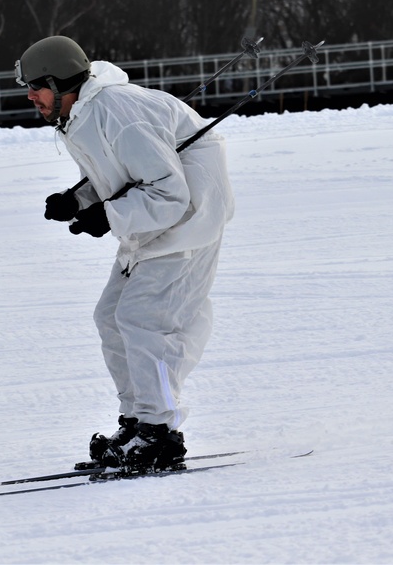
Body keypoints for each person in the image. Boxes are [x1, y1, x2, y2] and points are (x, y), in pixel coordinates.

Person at [15, 35, 234, 473]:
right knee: (111, 317)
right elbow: (118, 174)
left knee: (144, 321)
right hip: (151, 227)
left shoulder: (120, 113)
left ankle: (160, 433)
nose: (30, 96)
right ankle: (138, 420)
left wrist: (108, 217)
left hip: (186, 225)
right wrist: (77, 200)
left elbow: (170, 195)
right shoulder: (82, 115)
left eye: (36, 86)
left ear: (61, 83)